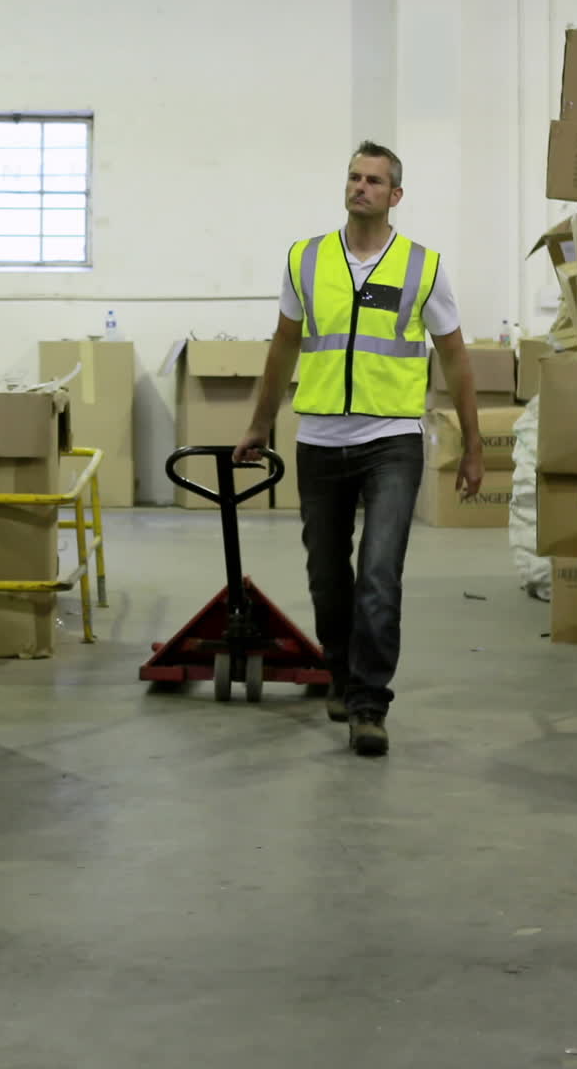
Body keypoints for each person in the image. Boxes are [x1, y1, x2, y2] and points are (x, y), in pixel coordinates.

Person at [234, 141, 483, 757]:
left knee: (379, 575)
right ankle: (340, 674)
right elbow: (283, 347)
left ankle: (370, 705)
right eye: (353, 177)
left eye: (374, 180)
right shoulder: (306, 259)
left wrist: (473, 445)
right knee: (326, 575)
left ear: (395, 195)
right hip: (319, 439)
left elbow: (455, 357)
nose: (360, 187)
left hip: (391, 440)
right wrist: (260, 423)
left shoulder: (423, 266)